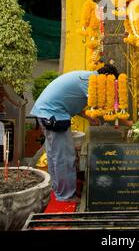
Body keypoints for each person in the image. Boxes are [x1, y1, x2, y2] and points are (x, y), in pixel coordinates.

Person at [30, 63, 118, 201]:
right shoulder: (91, 82)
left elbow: (71, 102)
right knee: (64, 156)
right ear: (106, 78)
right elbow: (101, 105)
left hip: (47, 112)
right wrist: (124, 121)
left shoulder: (86, 77)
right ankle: (66, 196)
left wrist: (88, 116)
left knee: (54, 155)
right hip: (53, 115)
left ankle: (58, 190)